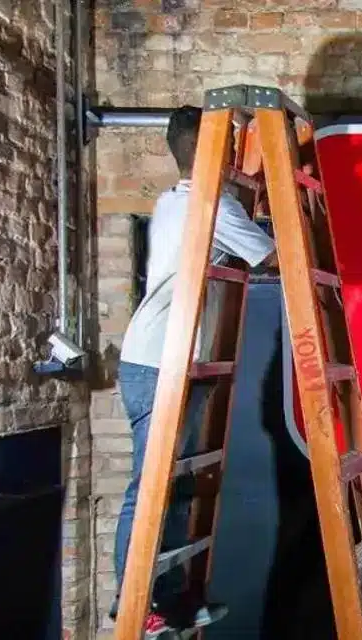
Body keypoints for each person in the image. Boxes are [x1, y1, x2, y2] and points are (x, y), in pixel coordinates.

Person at [111, 105, 277, 637]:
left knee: (176, 485)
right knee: (149, 486)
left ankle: (170, 600)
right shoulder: (210, 205)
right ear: (215, 152)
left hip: (168, 360)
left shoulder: (174, 200)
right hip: (158, 364)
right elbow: (273, 258)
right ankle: (133, 604)